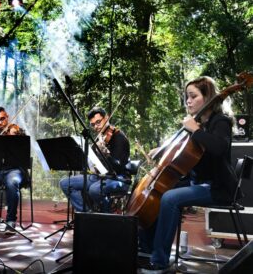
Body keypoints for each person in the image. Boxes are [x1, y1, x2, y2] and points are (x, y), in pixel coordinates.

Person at [138, 76, 239, 273]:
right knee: (156, 194)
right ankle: (147, 249)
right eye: (187, 97)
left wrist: (196, 130)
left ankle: (159, 261)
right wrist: (163, 149)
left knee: (170, 198)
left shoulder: (220, 121)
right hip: (199, 184)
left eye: (193, 96)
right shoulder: (199, 124)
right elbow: (183, 151)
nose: (188, 101)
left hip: (219, 187)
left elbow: (218, 148)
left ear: (208, 97)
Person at [59, 106, 130, 212]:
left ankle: (107, 217)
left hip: (118, 178)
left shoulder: (119, 137)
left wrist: (105, 153)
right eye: (93, 124)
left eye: (98, 122)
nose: (96, 126)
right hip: (99, 176)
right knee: (65, 183)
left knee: (94, 189)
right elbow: (91, 163)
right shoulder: (100, 139)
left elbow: (118, 166)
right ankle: (87, 213)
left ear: (106, 118)